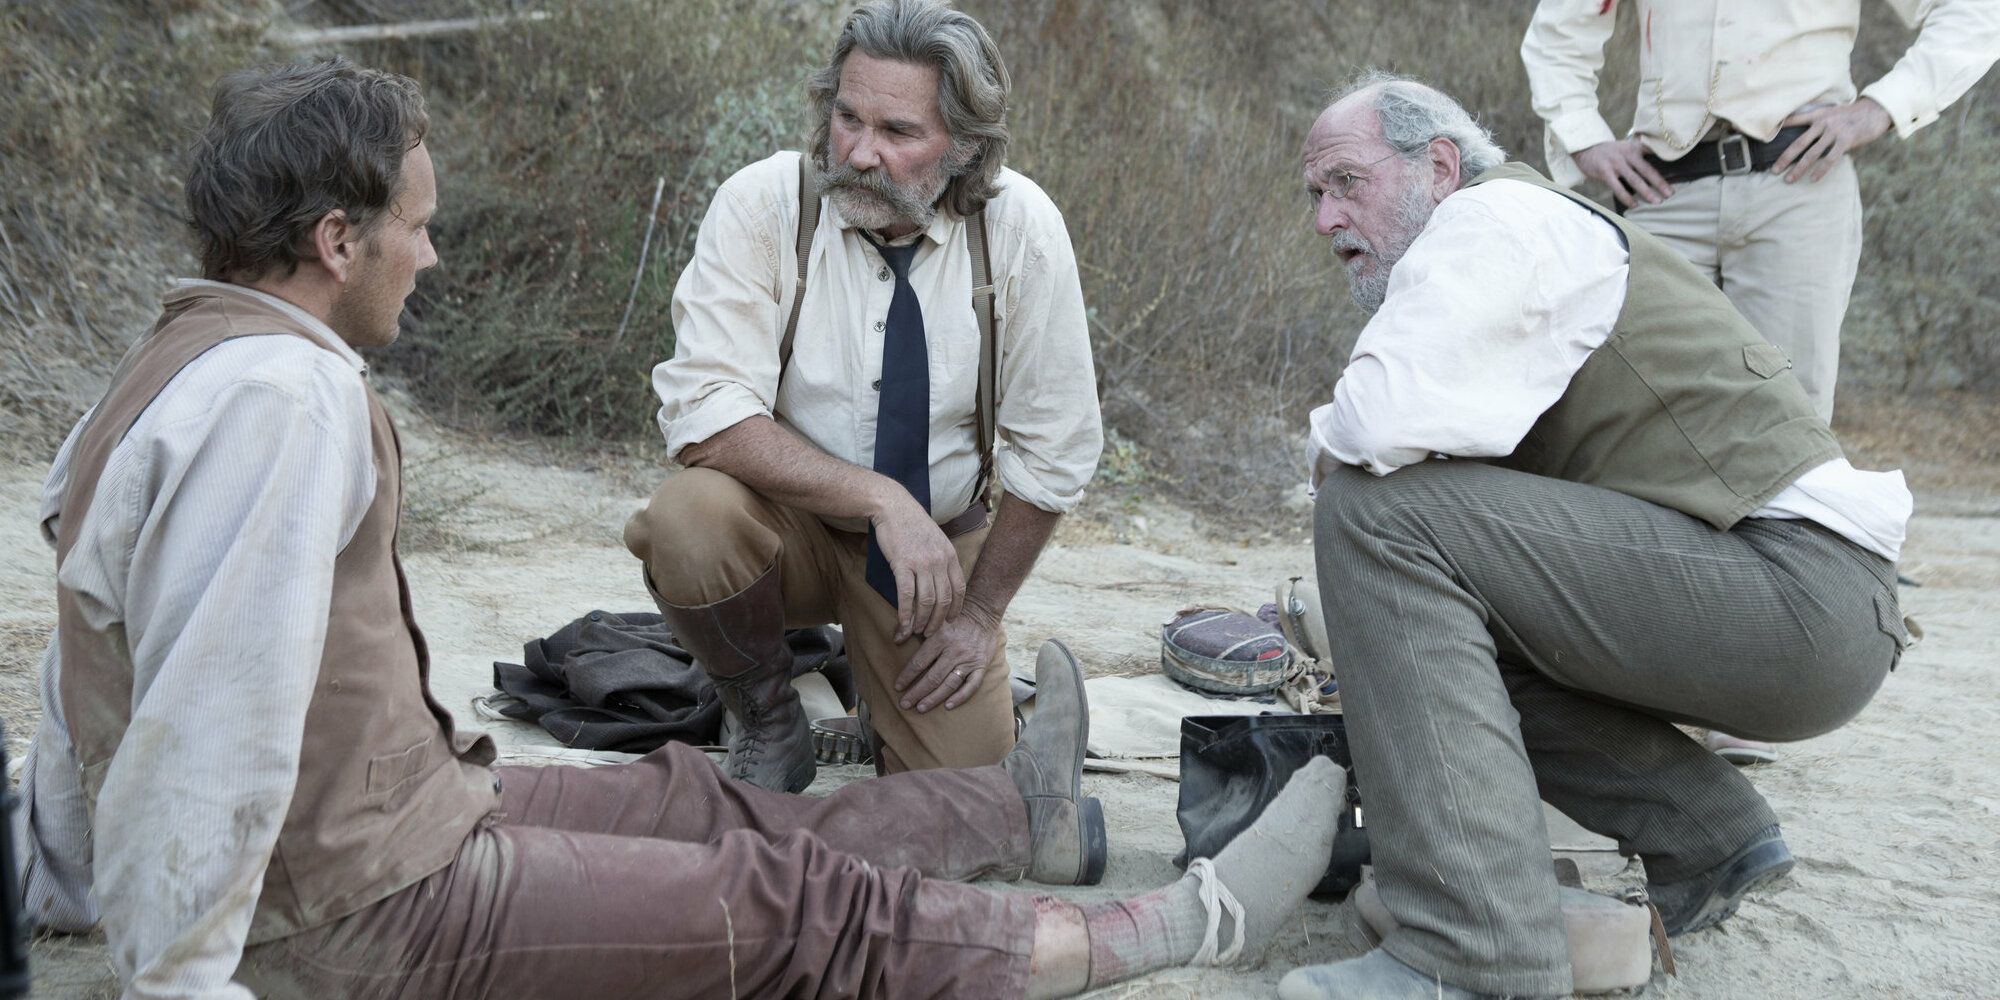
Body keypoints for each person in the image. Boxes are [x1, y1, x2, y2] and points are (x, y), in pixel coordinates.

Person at [11, 56, 1346, 1000]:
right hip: (362, 914)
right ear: (337, 240)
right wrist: (177, 977)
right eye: (417, 229)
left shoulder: (184, 359)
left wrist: (58, 868)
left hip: (403, 819)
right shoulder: (280, 399)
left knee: (687, 802)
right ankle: (1153, 932)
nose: (433, 256)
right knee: (781, 916)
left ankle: (1011, 803)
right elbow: (206, 714)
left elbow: (95, 672)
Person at [1276, 74, 1913, 1000]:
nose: (1327, 216)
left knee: (1377, 516)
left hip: (1793, 592)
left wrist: (1330, 473)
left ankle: (1472, 949)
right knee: (1452, 606)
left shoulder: (1497, 221)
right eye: (1315, 194)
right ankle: (1703, 837)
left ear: (1439, 167)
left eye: (1346, 181)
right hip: (1812, 607)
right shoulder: (1519, 229)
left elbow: (1374, 427)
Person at [623, 0, 1103, 791]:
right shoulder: (765, 202)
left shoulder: (1021, 230)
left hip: (935, 556)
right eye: (848, 117)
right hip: (788, 530)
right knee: (687, 521)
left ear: (966, 146)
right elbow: (706, 412)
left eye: (899, 132)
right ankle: (769, 713)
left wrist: (980, 618)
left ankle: (877, 688)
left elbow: (1055, 454)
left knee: (964, 798)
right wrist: (880, 499)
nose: (861, 153)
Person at [1520, 0, 1996, 767]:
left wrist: (1880, 108)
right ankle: (1625, 675)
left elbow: (1970, 11)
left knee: (1788, 427)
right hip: (1659, 190)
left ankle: (1749, 688)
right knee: (1629, 420)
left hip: (1797, 183)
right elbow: (1562, 28)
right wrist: (1583, 138)